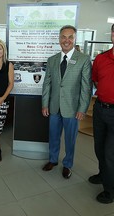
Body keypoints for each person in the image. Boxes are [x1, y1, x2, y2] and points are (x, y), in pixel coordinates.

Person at [41, 25, 92, 179]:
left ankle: (68, 164)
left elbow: (86, 87)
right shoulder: (52, 60)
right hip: (54, 107)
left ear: (75, 39)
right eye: (64, 37)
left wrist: (82, 108)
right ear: (59, 39)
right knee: (53, 135)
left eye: (70, 37)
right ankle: (53, 160)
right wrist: (45, 104)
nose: (66, 40)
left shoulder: (83, 59)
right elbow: (47, 84)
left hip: (73, 108)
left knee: (70, 139)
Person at [88, 24, 114, 204]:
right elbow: (96, 80)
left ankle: (110, 191)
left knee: (110, 153)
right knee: (99, 147)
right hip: (100, 109)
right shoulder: (101, 58)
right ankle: (103, 174)